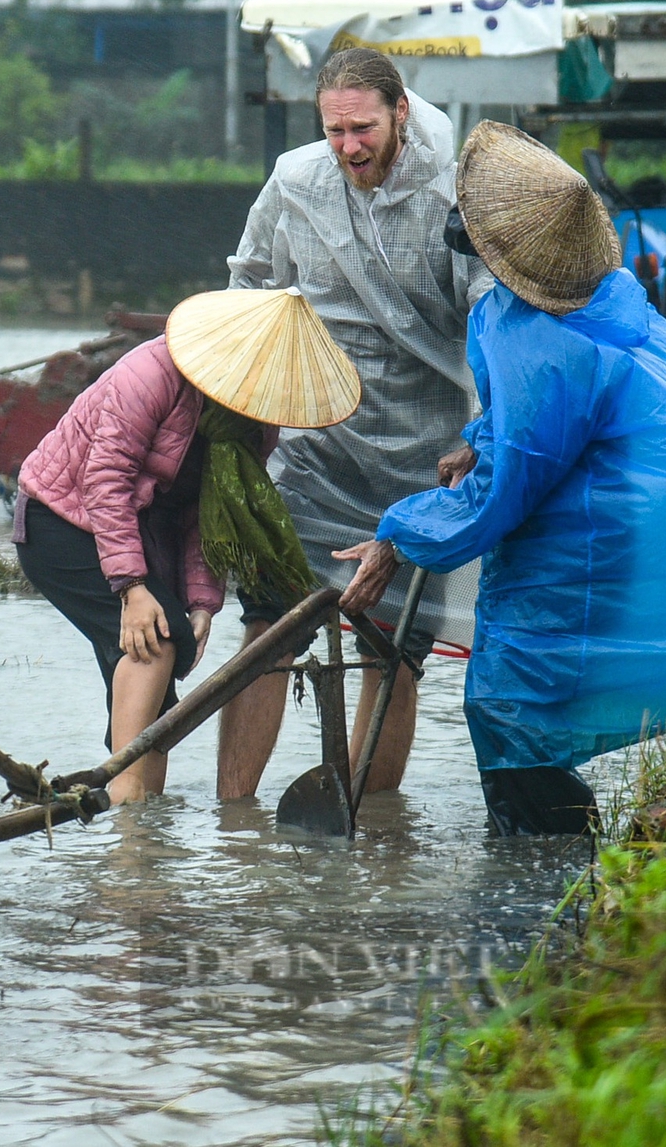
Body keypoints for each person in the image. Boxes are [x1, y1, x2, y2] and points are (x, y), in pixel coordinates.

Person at [336, 121, 666, 834]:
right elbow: (540, 421)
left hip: (592, 543)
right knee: (535, 712)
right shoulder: (614, 302)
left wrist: (398, 532)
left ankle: (544, 894)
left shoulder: (540, 335)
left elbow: (508, 484)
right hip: (641, 538)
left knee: (511, 710)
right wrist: (478, 436)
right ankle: (573, 868)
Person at [219, 46, 493, 802]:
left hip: (423, 454)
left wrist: (481, 434)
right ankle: (231, 826)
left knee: (391, 644)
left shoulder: (455, 192)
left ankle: (373, 827)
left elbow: (492, 317)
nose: (349, 147)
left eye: (363, 129)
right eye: (334, 132)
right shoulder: (295, 182)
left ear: (399, 112)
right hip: (313, 448)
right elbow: (248, 290)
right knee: (268, 627)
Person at [14, 288, 360, 803]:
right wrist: (131, 586)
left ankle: (143, 830)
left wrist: (202, 602)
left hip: (138, 528)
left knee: (161, 664)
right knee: (157, 638)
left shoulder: (252, 424)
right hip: (61, 518)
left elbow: (208, 515)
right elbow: (105, 481)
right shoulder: (150, 373)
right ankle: (127, 807)